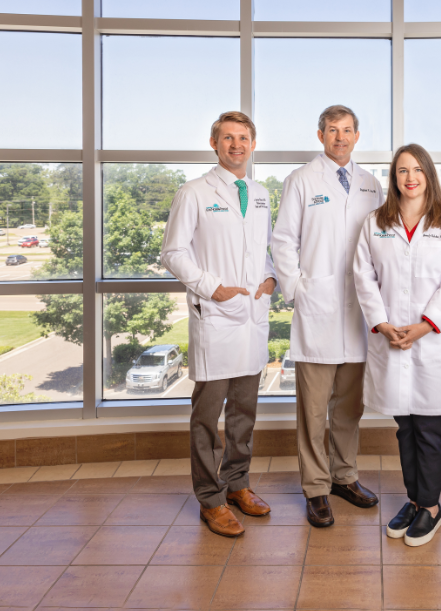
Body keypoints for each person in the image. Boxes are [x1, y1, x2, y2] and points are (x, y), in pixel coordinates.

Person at [161, 111, 276, 537]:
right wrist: (212, 287)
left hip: (251, 315)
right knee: (208, 417)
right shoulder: (193, 192)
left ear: (253, 144)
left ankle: (238, 485)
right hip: (217, 314)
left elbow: (261, 247)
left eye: (244, 138)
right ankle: (211, 498)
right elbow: (173, 252)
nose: (237, 145)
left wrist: (271, 276)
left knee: (244, 412)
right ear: (214, 143)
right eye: (228, 138)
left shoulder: (261, 193)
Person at [271, 105, 385, 527]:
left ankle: (344, 477)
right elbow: (282, 241)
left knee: (349, 408)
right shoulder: (301, 180)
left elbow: (382, 242)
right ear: (320, 135)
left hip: (359, 312)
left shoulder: (372, 184)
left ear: (358, 136)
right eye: (333, 130)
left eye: (348, 130)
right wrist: (299, 290)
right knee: (313, 410)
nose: (340, 137)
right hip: (316, 309)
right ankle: (316, 488)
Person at [354, 144, 441, 546]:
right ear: (394, 178)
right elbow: (363, 276)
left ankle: (431, 507)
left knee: (430, 427)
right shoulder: (376, 221)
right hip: (391, 337)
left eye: (418, 169)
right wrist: (383, 324)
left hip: (429, 340)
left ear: (429, 176)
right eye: (402, 170)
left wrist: (424, 325)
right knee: (404, 426)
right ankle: (415, 500)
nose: (410, 177)